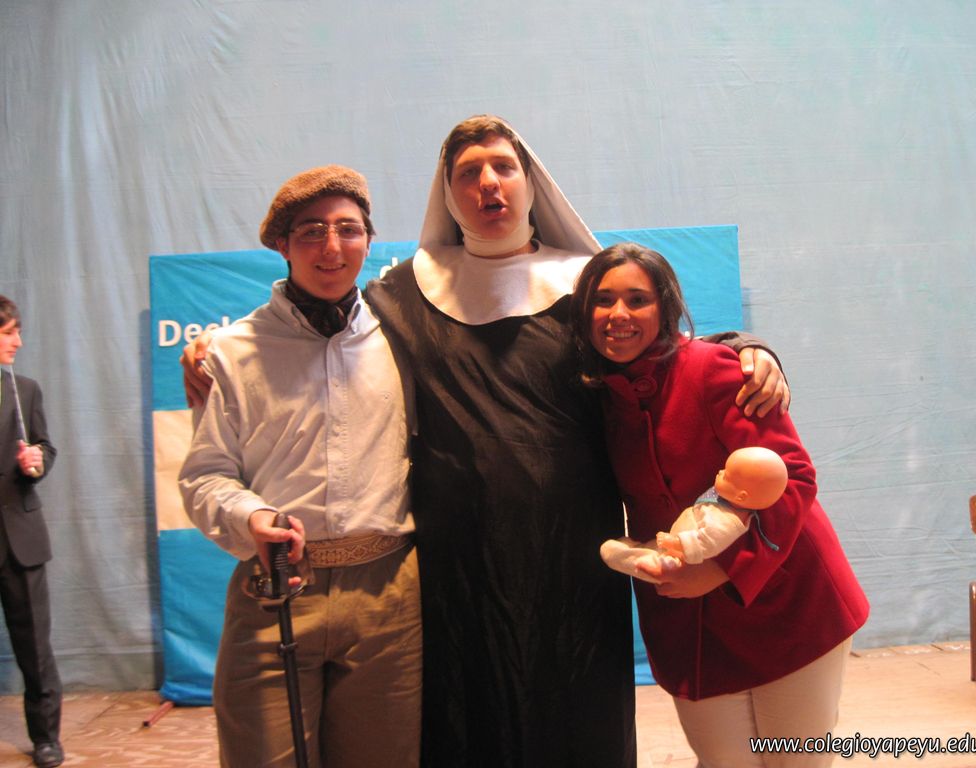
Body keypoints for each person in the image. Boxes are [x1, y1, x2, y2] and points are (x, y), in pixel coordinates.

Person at [181, 115, 790, 767]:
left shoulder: (584, 284)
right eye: (468, 172)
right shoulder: (403, 296)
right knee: (464, 724)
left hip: (573, 552)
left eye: (503, 167)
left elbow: (661, 352)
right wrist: (214, 346)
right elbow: (314, 321)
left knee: (575, 720)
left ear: (532, 182)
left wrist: (746, 347)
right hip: (454, 563)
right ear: (446, 194)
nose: (488, 184)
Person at [569, 242, 870, 768]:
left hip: (784, 599)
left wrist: (723, 569)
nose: (618, 314)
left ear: (664, 306)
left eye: (637, 299)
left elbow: (795, 476)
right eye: (603, 299)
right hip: (689, 624)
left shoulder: (714, 369)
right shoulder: (594, 397)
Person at [178, 166, 421, 768]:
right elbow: (205, 475)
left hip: (389, 599)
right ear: (282, 244)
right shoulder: (231, 352)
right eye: (312, 231)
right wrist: (251, 517)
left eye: (348, 229)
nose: (332, 247)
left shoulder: (406, 340)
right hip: (277, 592)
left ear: (369, 240)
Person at [0, 295, 63, 768]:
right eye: (9, 332)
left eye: (18, 330)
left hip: (19, 538)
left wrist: (36, 461)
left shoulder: (25, 390)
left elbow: (44, 448)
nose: (19, 341)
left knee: (35, 648)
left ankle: (46, 738)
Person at [599, 446, 788, 583]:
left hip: (680, 554)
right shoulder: (728, 503)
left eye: (727, 475)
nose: (720, 471)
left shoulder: (727, 521)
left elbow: (707, 543)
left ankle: (643, 562)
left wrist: (677, 543)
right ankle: (636, 551)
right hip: (673, 541)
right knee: (648, 549)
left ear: (741, 496)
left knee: (625, 556)